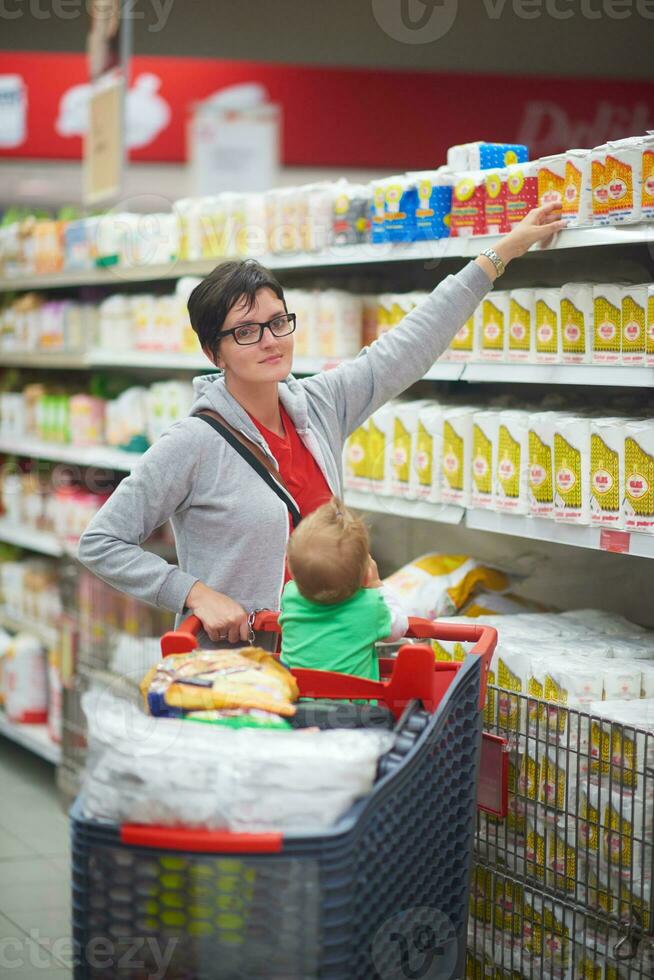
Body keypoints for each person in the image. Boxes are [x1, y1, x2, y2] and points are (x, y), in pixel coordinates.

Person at [78, 203, 565, 646]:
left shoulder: (319, 405)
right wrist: (193, 593)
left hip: (327, 655)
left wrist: (498, 256)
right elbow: (101, 542)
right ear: (213, 351)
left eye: (278, 322)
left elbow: (408, 346)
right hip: (239, 668)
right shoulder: (193, 443)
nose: (270, 341)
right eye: (245, 332)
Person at [279, 498, 408, 679]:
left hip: (298, 701)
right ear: (365, 573)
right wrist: (376, 585)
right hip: (354, 705)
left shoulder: (290, 595)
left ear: (290, 568)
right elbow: (399, 627)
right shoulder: (370, 606)